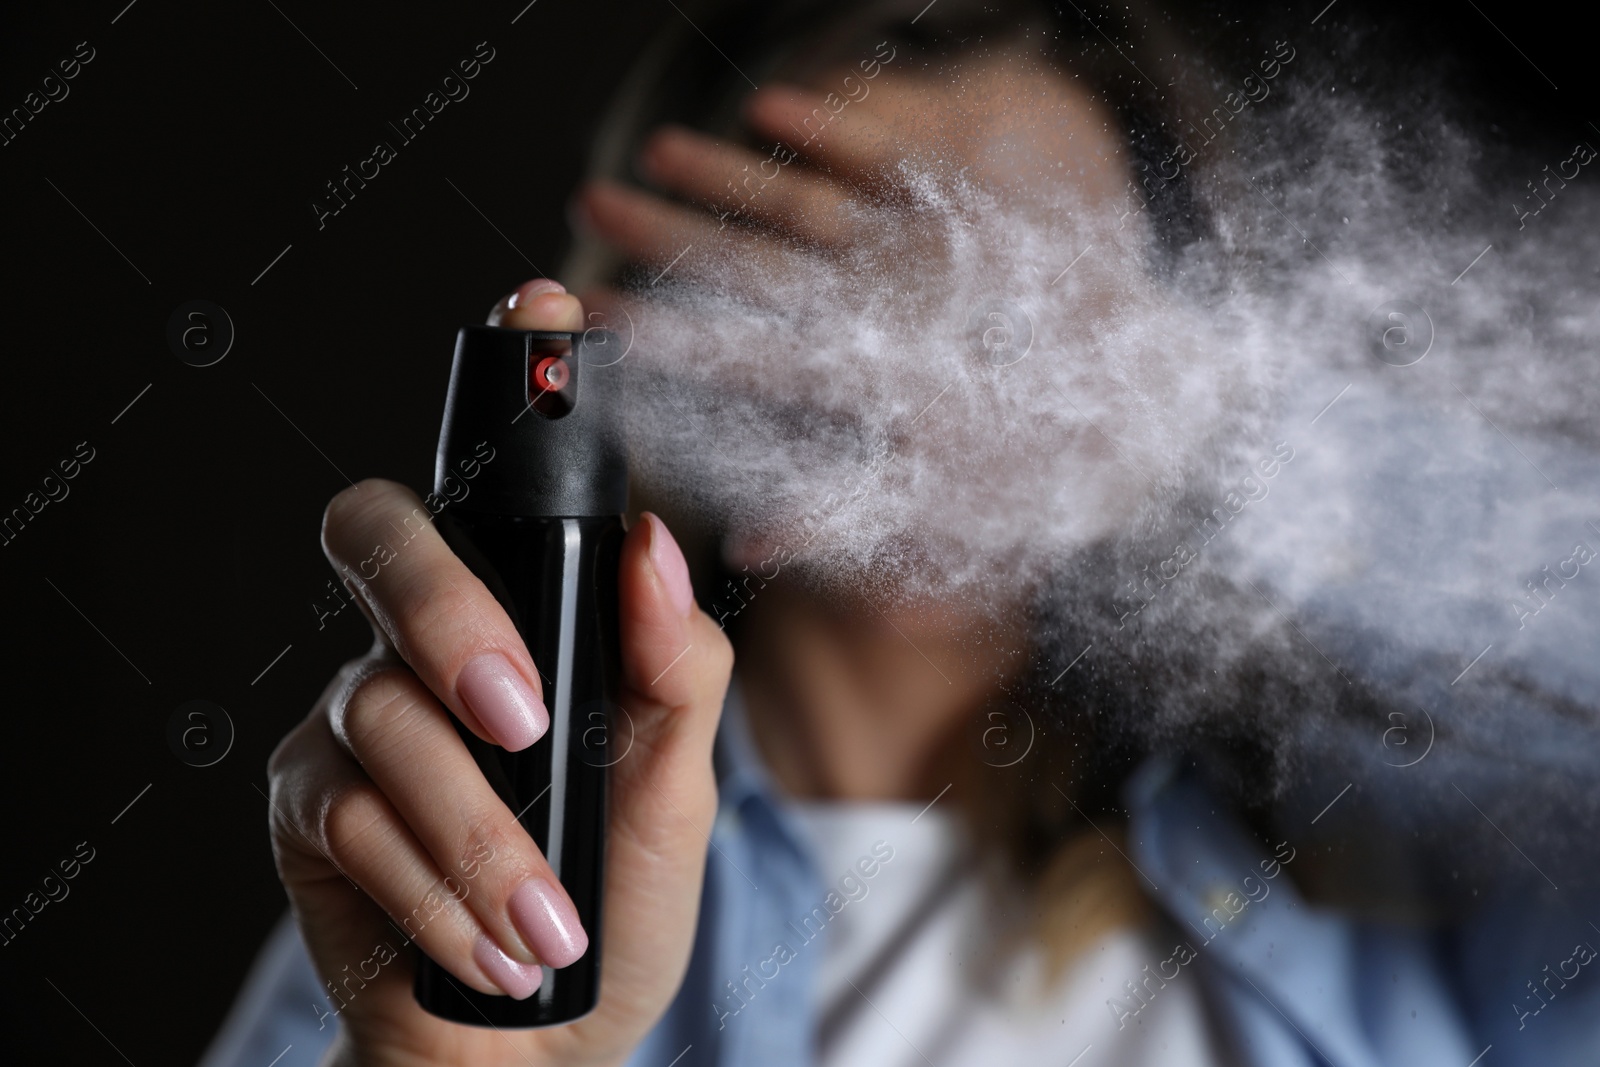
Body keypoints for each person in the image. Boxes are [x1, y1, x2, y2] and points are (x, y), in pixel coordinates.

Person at [202, 1, 1600, 1064]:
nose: (931, 360)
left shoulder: (1421, 860)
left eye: (1027, 288)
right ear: (664, 293)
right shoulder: (476, 885)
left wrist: (1225, 434)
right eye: (850, 255)